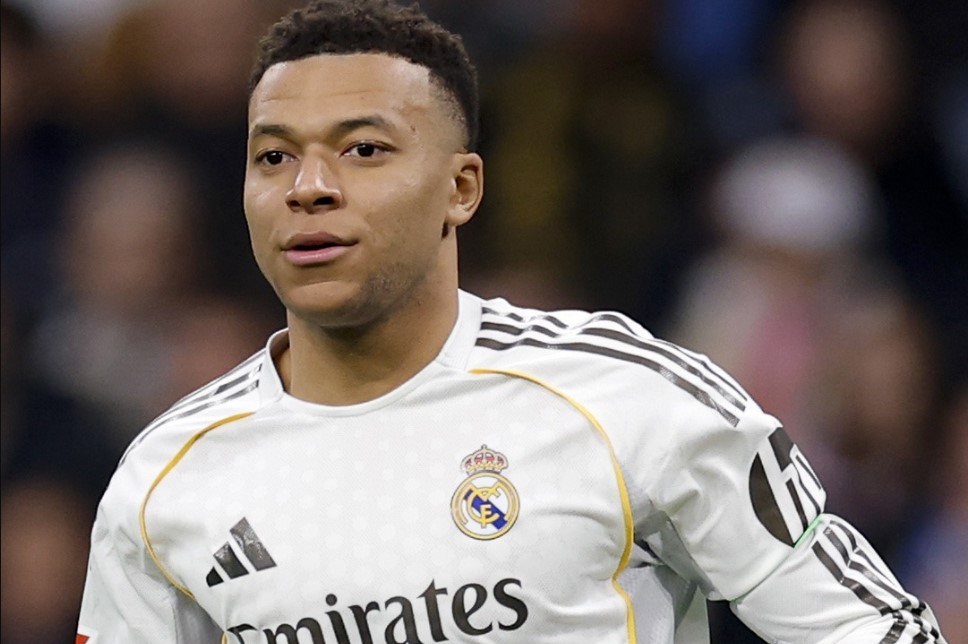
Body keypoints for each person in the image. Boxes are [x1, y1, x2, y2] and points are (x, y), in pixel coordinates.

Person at [76, 1, 947, 642]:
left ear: (461, 189)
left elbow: (876, 630)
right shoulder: (164, 481)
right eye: (273, 155)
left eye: (363, 149)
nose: (309, 187)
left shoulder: (626, 398)